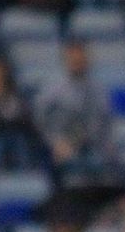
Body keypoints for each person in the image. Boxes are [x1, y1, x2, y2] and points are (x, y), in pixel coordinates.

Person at [34, 42, 113, 184]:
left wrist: (76, 143)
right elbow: (39, 121)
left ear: (87, 61)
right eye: (73, 60)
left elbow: (101, 125)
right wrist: (55, 143)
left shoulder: (98, 91)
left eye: (80, 60)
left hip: (91, 147)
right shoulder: (52, 91)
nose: (77, 64)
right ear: (66, 61)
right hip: (59, 148)